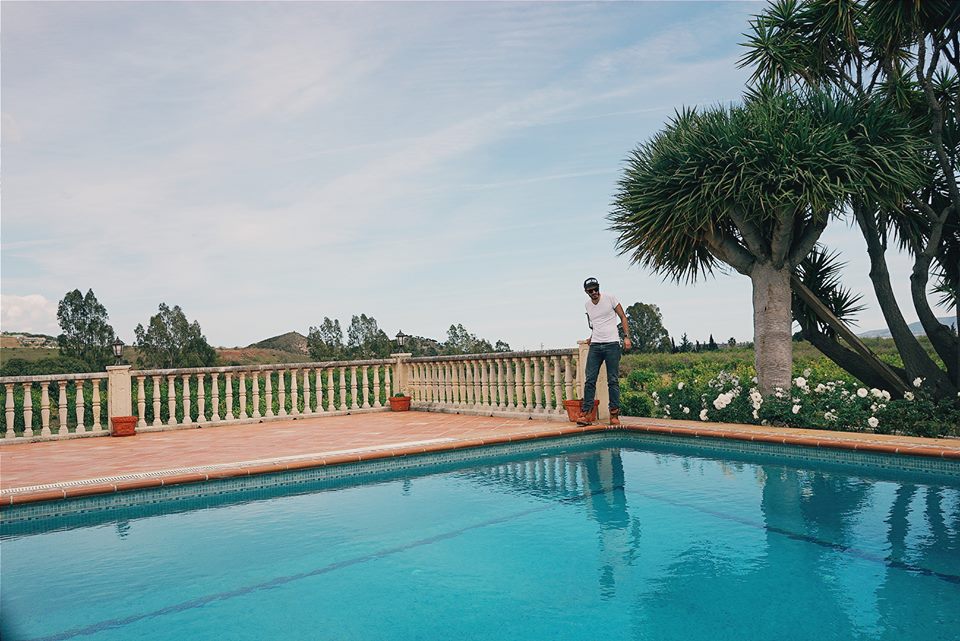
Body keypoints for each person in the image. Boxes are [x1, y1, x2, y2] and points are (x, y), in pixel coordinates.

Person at [578, 277, 630, 426]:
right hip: (595, 345)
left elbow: (623, 317)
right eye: (590, 290)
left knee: (612, 380)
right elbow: (596, 324)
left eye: (596, 289)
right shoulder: (587, 305)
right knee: (590, 380)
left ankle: (614, 415)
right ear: (586, 292)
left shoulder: (610, 298)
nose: (594, 292)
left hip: (612, 344)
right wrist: (592, 337)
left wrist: (626, 337)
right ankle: (586, 414)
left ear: (599, 288)